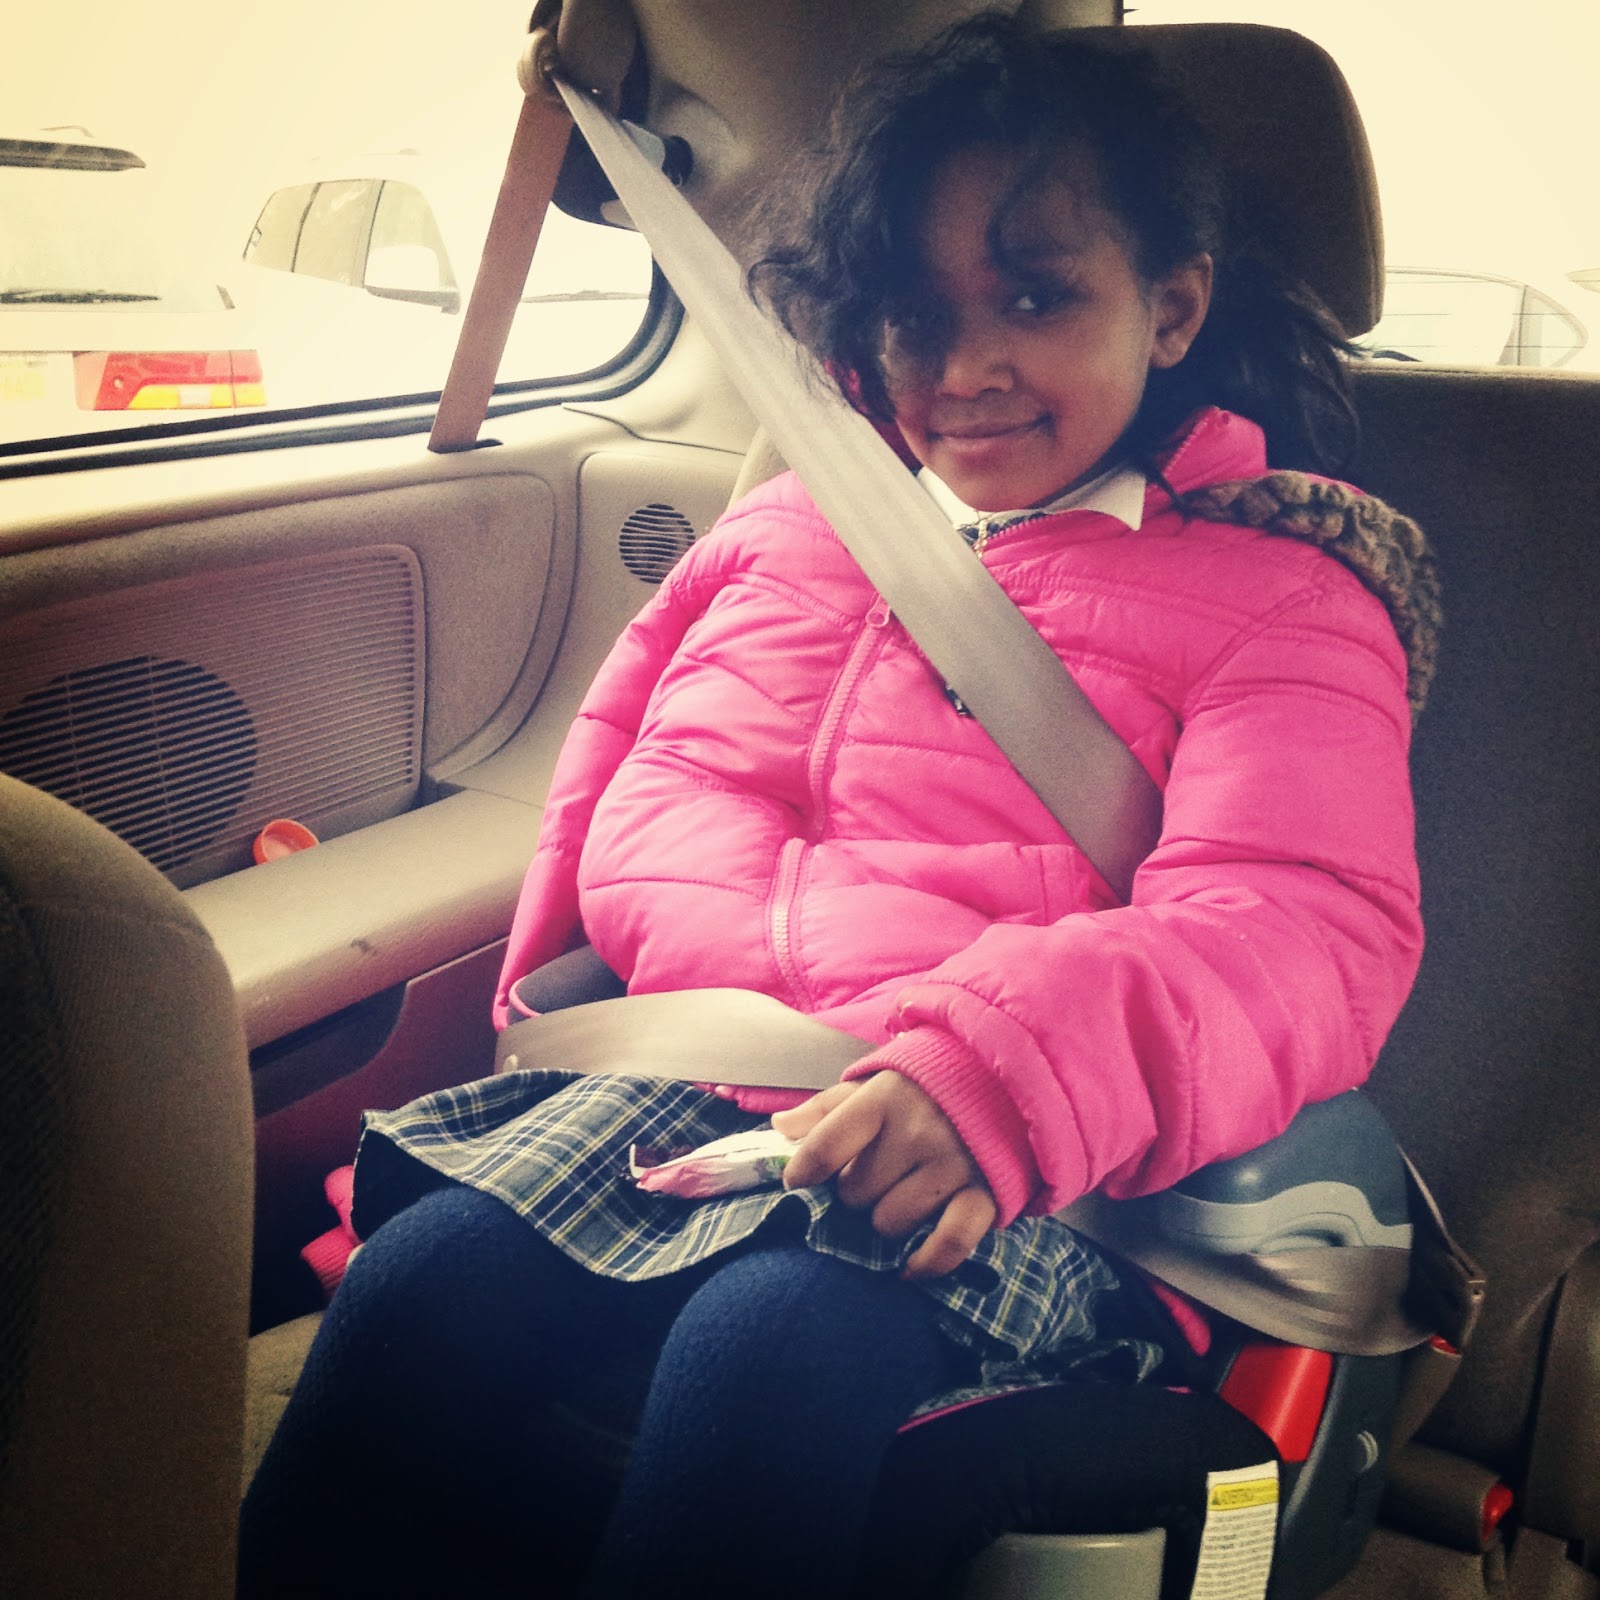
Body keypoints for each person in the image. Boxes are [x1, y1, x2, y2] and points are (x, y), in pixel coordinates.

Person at [239, 16, 1435, 1598]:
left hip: (1030, 1148)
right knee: (422, 1284)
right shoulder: (789, 534)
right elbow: (633, 789)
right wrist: (639, 1022)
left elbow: (1292, 926)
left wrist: (988, 1072)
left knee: (769, 1351)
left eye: (1036, 296)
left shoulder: (1288, 597)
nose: (965, 367)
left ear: (1171, 307)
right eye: (914, 312)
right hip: (705, 1087)